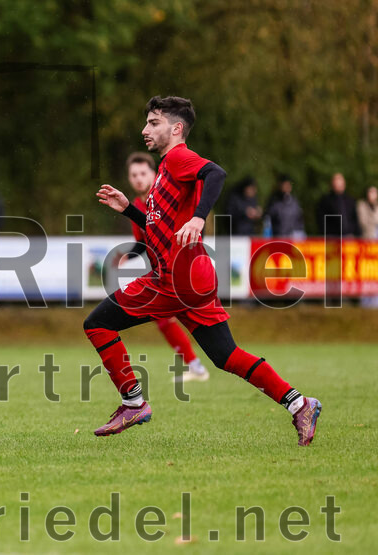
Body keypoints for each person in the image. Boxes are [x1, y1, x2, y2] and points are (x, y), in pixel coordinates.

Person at [87, 95, 321, 445]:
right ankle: (300, 404)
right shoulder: (165, 170)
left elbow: (216, 173)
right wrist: (128, 210)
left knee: (97, 324)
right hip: (193, 278)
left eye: (153, 123)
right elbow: (158, 228)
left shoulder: (178, 158)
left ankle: (133, 403)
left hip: (175, 279)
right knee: (227, 356)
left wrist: (199, 218)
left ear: (176, 128)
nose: (145, 129)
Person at [120, 152, 208, 382]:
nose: (138, 179)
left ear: (154, 174)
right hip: (164, 273)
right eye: (134, 175)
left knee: (191, 321)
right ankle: (197, 366)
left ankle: (200, 365)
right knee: (170, 319)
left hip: (183, 269)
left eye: (143, 173)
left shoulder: (166, 196)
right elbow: (143, 240)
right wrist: (128, 256)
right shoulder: (137, 205)